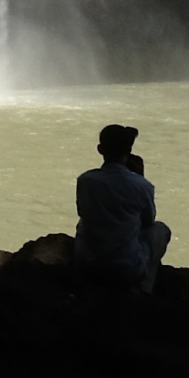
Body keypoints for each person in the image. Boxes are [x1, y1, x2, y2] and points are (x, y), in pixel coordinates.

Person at [74, 124, 171, 293]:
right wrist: (139, 176)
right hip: (125, 268)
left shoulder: (85, 180)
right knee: (161, 230)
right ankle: (143, 288)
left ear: (100, 149)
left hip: (87, 265)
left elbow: (82, 212)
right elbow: (148, 221)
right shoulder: (142, 185)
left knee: (84, 221)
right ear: (129, 151)